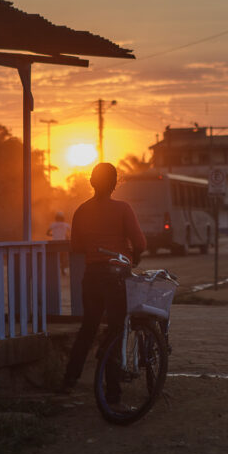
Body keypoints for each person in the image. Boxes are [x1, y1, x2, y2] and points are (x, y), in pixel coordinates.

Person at [61, 163, 147, 394]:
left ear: (92, 182)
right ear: (114, 184)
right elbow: (140, 244)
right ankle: (112, 388)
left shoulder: (81, 210)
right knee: (116, 328)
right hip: (116, 277)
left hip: (91, 276)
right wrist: (134, 255)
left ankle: (69, 379)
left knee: (88, 327)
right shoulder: (123, 208)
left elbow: (77, 246)